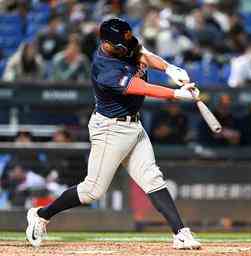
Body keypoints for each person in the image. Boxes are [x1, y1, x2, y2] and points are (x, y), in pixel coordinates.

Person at [26, 18, 201, 250]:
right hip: (110, 129)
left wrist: (169, 69)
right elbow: (141, 88)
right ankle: (41, 215)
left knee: (152, 178)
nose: (124, 47)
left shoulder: (125, 44)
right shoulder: (104, 67)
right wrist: (176, 95)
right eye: (119, 44)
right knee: (92, 191)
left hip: (134, 126)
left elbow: (143, 54)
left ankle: (181, 233)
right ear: (106, 43)